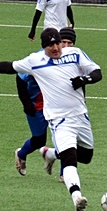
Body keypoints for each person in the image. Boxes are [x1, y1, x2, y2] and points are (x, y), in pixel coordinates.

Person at [0, 27, 102, 211]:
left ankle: (50, 153)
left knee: (86, 157)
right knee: (70, 158)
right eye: (51, 45)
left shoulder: (75, 53)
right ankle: (77, 198)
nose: (56, 48)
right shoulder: (35, 61)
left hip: (81, 116)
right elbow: (8, 67)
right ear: (44, 47)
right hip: (59, 120)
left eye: (57, 43)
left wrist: (85, 79)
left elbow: (97, 72)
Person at [13, 25, 80, 179]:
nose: (65, 46)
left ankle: (64, 174)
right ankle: (22, 154)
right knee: (38, 140)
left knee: (66, 139)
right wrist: (26, 103)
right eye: (63, 42)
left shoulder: (75, 59)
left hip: (61, 107)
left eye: (70, 43)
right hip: (37, 105)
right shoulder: (38, 59)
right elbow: (20, 76)